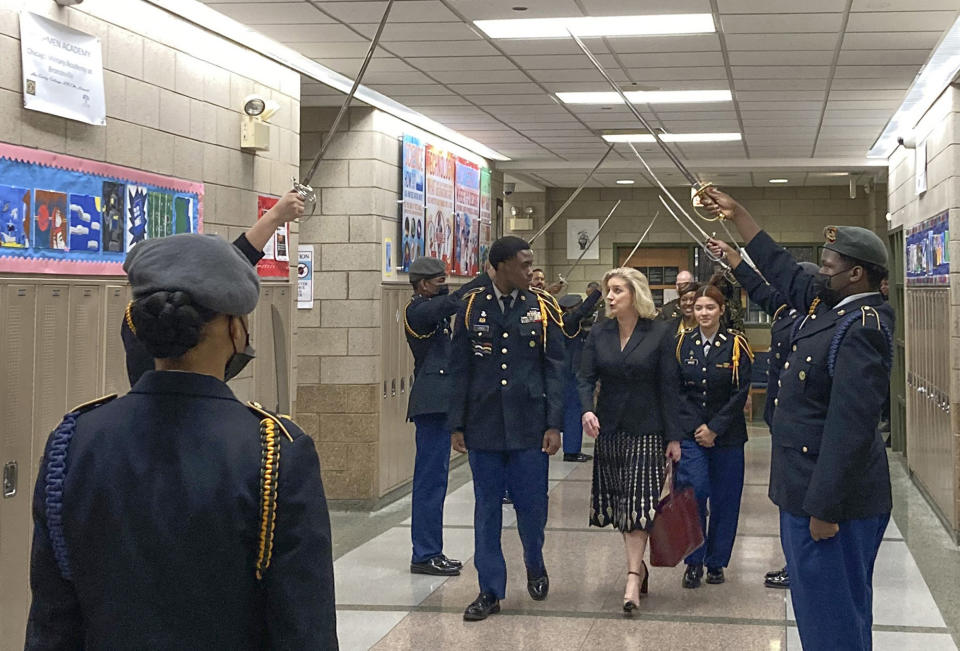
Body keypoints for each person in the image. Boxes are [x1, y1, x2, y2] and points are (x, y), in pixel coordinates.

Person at [26, 233, 338, 649]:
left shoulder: (73, 442)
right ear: (235, 328)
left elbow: (51, 623)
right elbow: (304, 628)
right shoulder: (275, 452)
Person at [701, 188, 894, 651]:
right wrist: (740, 217)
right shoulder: (829, 306)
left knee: (832, 618)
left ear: (857, 273)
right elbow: (781, 268)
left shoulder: (861, 326)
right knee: (825, 610)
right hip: (804, 489)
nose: (820, 273)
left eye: (829, 267)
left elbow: (850, 429)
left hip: (831, 503)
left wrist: (824, 510)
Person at [447, 236, 565, 622]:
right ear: (497, 268)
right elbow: (459, 370)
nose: (529, 271)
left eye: (531, 264)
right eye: (522, 264)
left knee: (532, 508)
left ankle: (534, 559)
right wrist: (457, 424)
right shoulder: (470, 309)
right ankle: (490, 590)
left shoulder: (542, 308)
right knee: (486, 512)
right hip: (484, 427)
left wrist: (554, 424)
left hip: (530, 426)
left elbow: (555, 369)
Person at [709, 240, 820, 590]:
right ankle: (795, 561)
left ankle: (800, 564)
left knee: (799, 502)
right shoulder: (787, 310)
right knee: (786, 500)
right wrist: (735, 260)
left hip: (802, 428)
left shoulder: (814, 320)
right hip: (781, 421)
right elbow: (758, 289)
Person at [122, 190, 304, 386]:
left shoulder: (142, 318)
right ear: (234, 329)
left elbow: (228, 265)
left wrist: (275, 216)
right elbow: (226, 268)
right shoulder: (243, 417)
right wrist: (274, 216)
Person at [578, 268, 682, 612]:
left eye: (617, 290)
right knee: (622, 506)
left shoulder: (660, 332)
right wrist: (586, 410)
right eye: (608, 290)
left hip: (648, 430)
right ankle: (640, 565)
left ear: (635, 294)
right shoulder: (600, 332)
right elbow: (585, 377)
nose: (609, 296)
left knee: (639, 506)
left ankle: (632, 579)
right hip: (610, 430)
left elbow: (669, 387)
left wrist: (674, 437)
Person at [403, 256, 489, 576]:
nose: (446, 285)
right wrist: (484, 276)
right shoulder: (417, 309)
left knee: (437, 480)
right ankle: (424, 553)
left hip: (442, 402)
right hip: (431, 404)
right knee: (430, 481)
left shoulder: (433, 305)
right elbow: (451, 303)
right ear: (424, 285)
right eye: (440, 281)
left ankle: (430, 549)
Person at [674, 284, 753, 589]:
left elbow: (740, 391)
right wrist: (699, 428)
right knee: (694, 494)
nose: (704, 313)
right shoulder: (683, 344)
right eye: (698, 308)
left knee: (725, 500)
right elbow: (677, 390)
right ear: (692, 311)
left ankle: (716, 561)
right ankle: (693, 560)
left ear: (721, 310)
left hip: (728, 436)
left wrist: (715, 428)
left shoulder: (736, 345)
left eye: (710, 308)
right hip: (692, 435)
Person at [557, 288, 603, 462]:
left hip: (572, 372)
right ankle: (571, 451)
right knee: (573, 412)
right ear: (570, 309)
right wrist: (598, 292)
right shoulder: (567, 322)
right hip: (570, 374)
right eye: (577, 307)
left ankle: (573, 449)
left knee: (575, 412)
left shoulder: (573, 325)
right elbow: (583, 311)